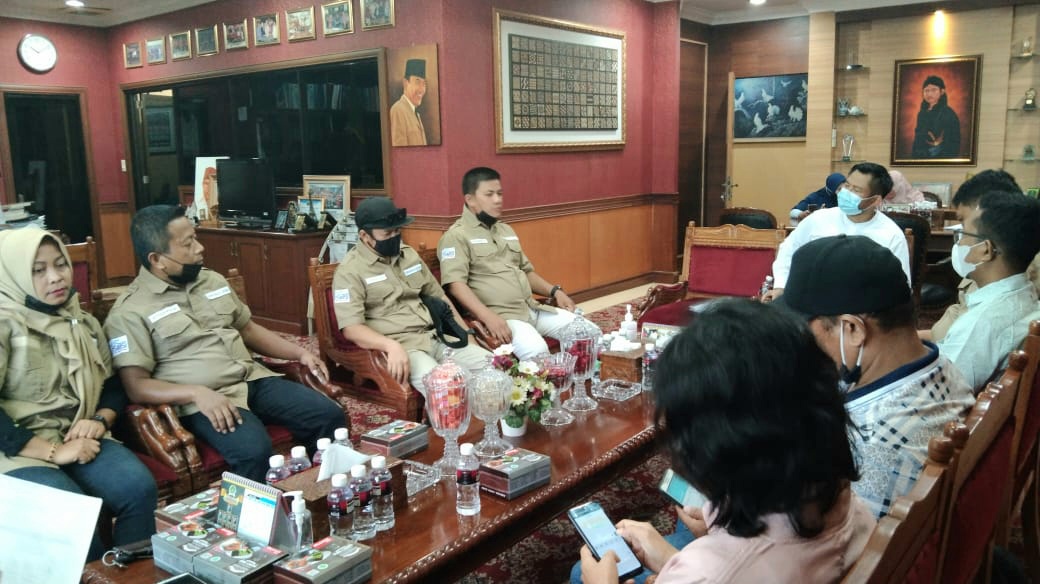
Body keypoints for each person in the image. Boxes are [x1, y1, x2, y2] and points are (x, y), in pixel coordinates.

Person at [578, 299, 875, 583]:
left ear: (711, 449)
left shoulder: (707, 572)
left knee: (583, 571)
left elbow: (722, 573)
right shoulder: (842, 499)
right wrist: (674, 557)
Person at [104, 205, 345, 483]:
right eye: (188, 244)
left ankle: (319, 492)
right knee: (253, 450)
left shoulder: (211, 279)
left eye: (195, 238)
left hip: (251, 378)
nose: (200, 248)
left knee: (328, 415)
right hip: (206, 399)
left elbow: (248, 330)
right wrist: (195, 393)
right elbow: (136, 386)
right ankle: (246, 511)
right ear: (157, 259)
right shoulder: (129, 311)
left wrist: (300, 353)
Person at [779, 235, 974, 517]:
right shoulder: (938, 363)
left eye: (805, 330)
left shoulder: (876, 453)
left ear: (853, 329)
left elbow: (848, 545)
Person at [0, 228, 157, 561]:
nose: (56, 277)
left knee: (138, 489)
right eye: (38, 270)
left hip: (79, 436)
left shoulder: (81, 322)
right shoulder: (5, 325)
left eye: (61, 264)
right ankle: (96, 577)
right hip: (16, 449)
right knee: (74, 519)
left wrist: (99, 419)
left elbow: (112, 385)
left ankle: (129, 573)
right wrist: (54, 451)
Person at [332, 197, 490, 395]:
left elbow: (440, 298)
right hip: (404, 347)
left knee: (493, 367)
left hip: (436, 336)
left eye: (397, 231)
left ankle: (489, 415)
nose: (395, 237)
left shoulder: (409, 255)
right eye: (387, 233)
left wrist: (466, 336)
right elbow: (352, 329)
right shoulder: (349, 271)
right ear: (365, 236)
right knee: (445, 388)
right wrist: (390, 346)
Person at [438, 167, 593, 359]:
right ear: (470, 199)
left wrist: (555, 291)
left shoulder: (505, 230)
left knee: (589, 333)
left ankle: (583, 377)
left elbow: (526, 271)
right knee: (537, 353)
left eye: (500, 193)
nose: (498, 200)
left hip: (532, 309)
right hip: (503, 317)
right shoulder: (456, 236)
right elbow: (455, 285)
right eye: (489, 194)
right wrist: (488, 317)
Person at [935, 191, 1040, 390]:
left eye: (963, 234)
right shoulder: (1027, 295)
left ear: (985, 250)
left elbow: (940, 393)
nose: (958, 243)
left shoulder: (980, 325)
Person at [763, 162, 910, 302]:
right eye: (847, 185)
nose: (847, 192)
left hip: (861, 307)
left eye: (856, 190)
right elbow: (788, 249)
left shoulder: (891, 235)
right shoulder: (819, 218)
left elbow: (900, 287)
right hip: (810, 300)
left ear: (875, 200)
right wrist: (781, 286)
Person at [923, 169, 1040, 341]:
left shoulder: (1004, 274)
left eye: (964, 224)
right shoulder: (986, 274)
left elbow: (964, 341)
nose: (960, 240)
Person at [911, 75, 961, 159]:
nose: (929, 94)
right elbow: (917, 139)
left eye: (934, 90)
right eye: (926, 90)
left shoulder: (948, 113)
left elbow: (952, 143)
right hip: (920, 156)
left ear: (942, 91)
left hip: (940, 157)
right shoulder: (922, 113)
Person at [390, 59, 428, 146]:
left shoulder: (415, 113)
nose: (422, 89)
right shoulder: (398, 110)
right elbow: (400, 150)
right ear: (405, 83)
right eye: (417, 82)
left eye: (424, 84)